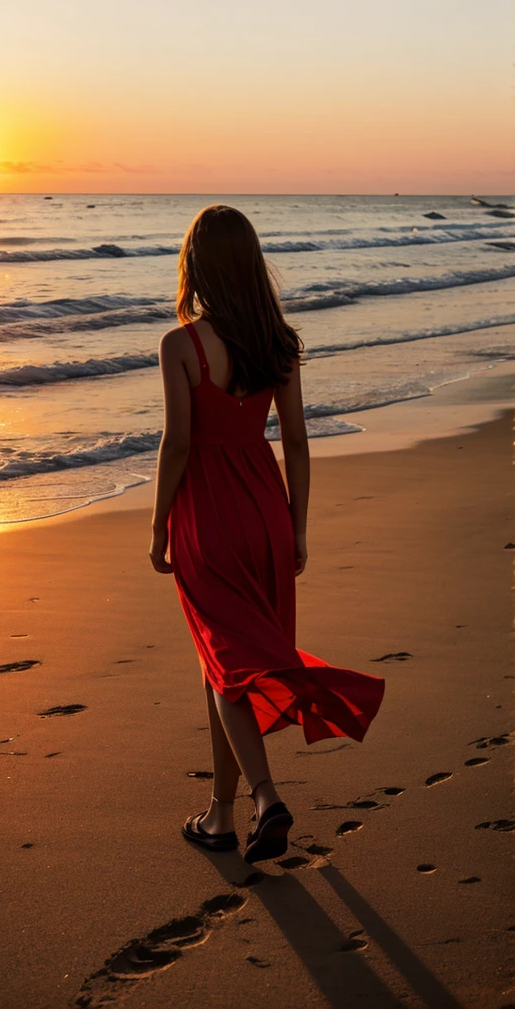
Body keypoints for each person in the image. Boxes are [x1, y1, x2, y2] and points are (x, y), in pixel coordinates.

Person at [149, 205, 385, 864]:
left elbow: (178, 445)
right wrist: (297, 526)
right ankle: (221, 815)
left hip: (209, 516)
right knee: (222, 662)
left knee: (228, 669)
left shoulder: (182, 347)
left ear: (194, 267)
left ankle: (264, 797)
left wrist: (158, 526)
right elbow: (299, 444)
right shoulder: (279, 342)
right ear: (253, 266)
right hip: (266, 512)